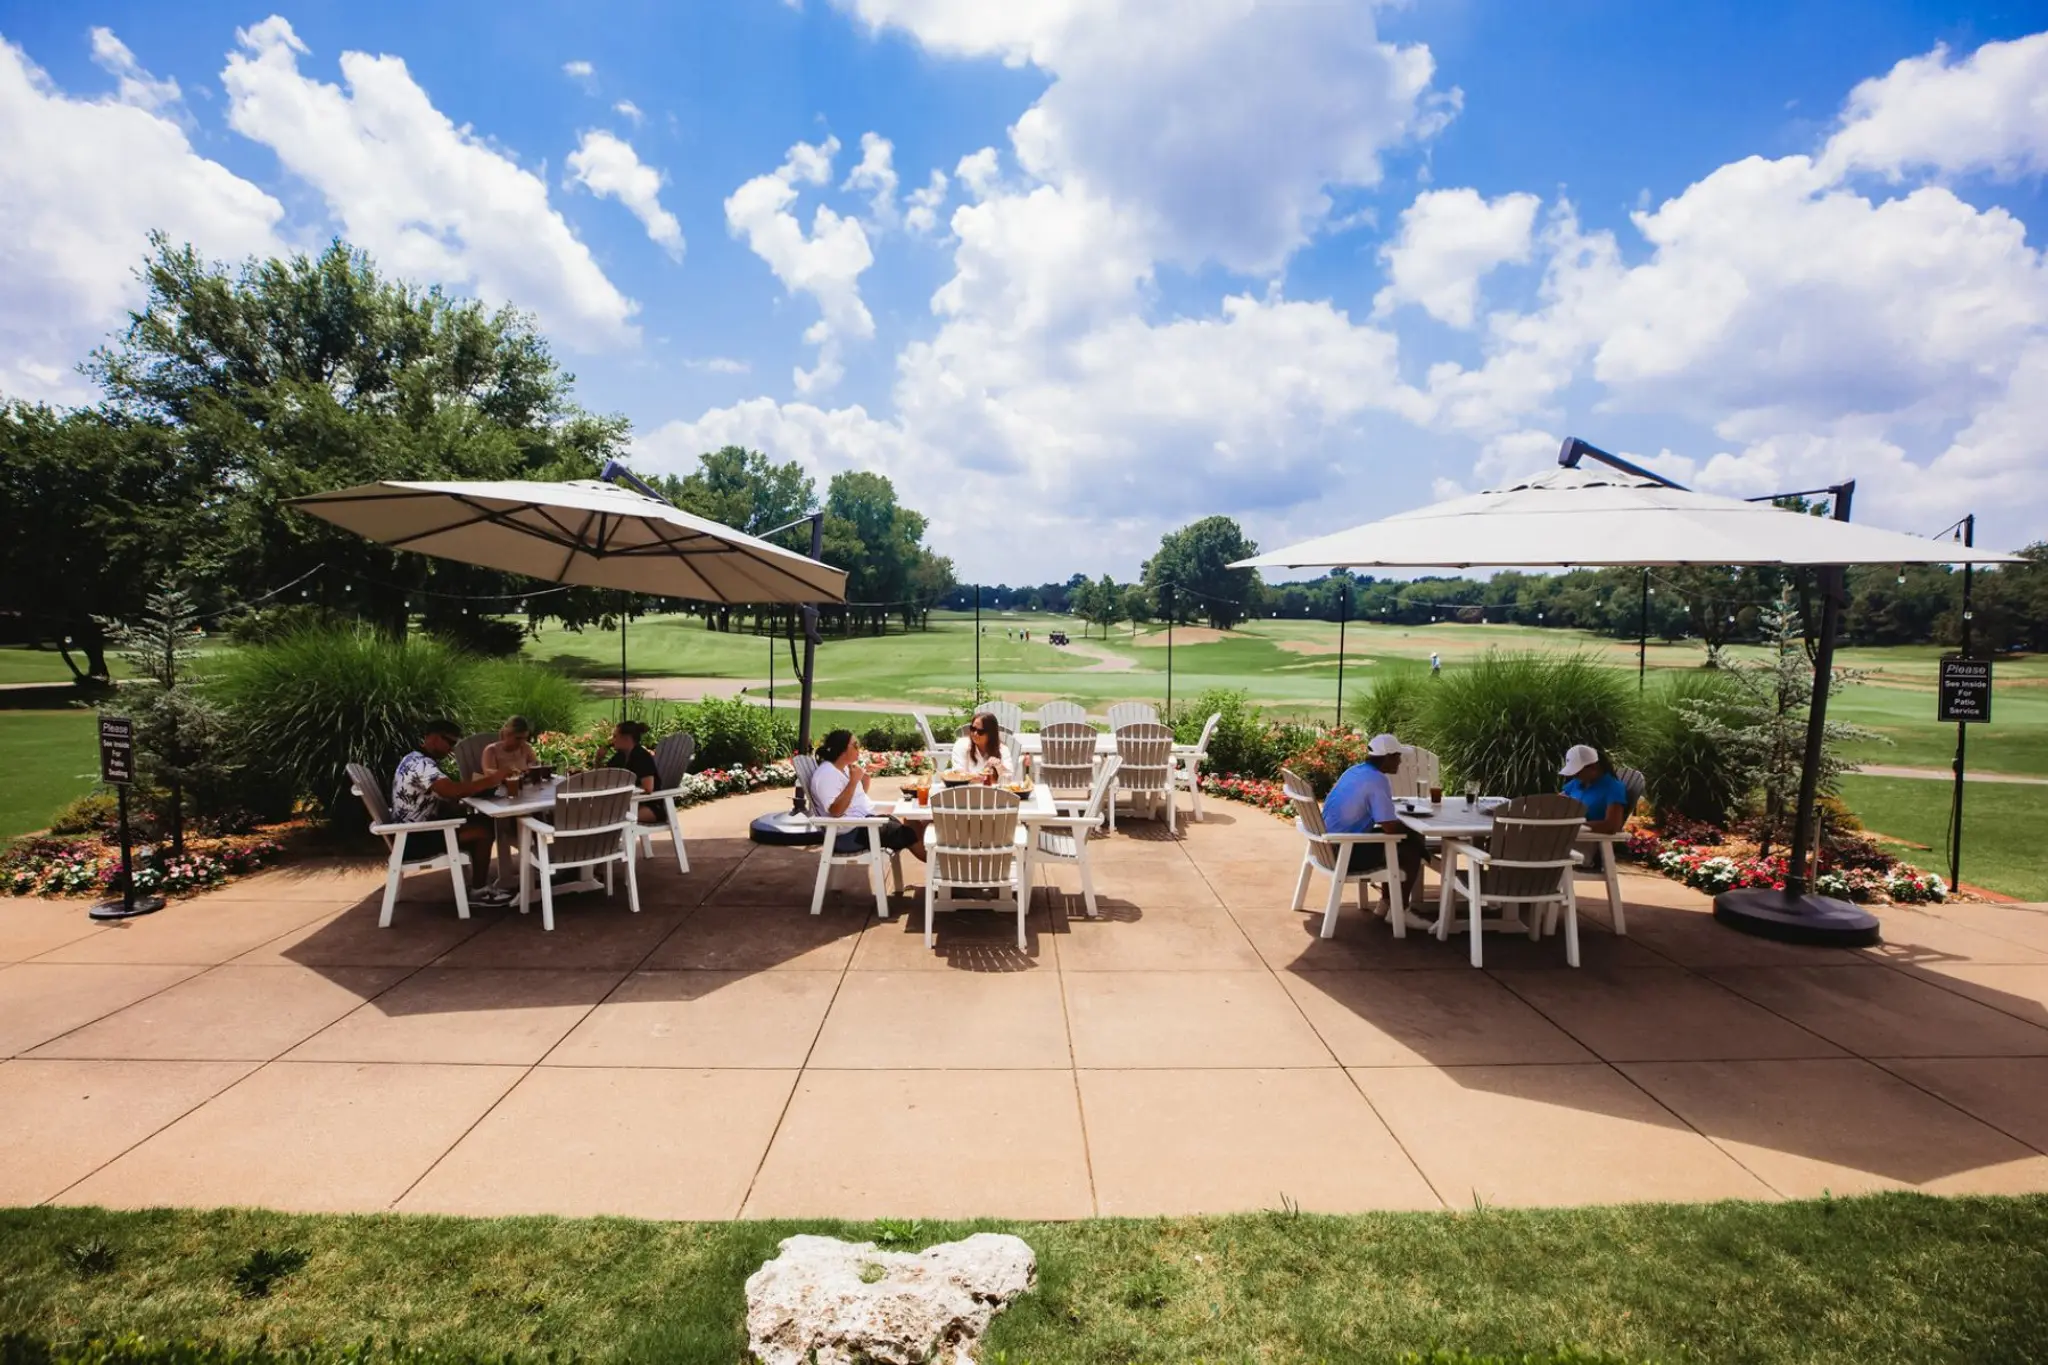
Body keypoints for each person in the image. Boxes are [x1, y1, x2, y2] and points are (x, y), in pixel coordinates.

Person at [390, 719, 513, 905]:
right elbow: (452, 791)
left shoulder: (413, 758)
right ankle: (478, 891)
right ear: (433, 738)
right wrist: (492, 779)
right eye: (449, 742)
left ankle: (481, 885)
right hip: (416, 839)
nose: (451, 749)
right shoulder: (422, 765)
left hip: (411, 833)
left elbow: (443, 796)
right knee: (483, 831)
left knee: (481, 821)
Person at [1321, 733, 1425, 909]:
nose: (1400, 761)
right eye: (1398, 756)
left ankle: (1386, 905)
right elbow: (1389, 827)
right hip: (1345, 853)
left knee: (1400, 843)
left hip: (1328, 848)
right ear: (1388, 757)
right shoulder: (1377, 779)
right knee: (1411, 850)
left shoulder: (1354, 771)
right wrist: (1414, 835)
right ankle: (1399, 910)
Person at [809, 729, 926, 861]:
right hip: (850, 835)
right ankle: (933, 862)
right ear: (842, 749)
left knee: (908, 822)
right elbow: (836, 811)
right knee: (907, 833)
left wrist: (864, 776)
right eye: (855, 745)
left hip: (863, 824)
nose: (859, 749)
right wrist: (853, 781)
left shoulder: (844, 769)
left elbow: (857, 797)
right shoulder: (827, 775)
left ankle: (934, 861)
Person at [1560, 744, 1630, 834]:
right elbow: (1558, 802)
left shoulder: (1614, 788)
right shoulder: (1576, 782)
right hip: (1567, 834)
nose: (1574, 775)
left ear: (1594, 767)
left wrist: (1574, 827)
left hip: (1590, 839)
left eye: (1578, 771)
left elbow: (1612, 825)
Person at [607, 719, 662, 823]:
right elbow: (603, 777)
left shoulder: (642, 757)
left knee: (610, 818)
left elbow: (648, 788)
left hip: (650, 806)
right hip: (628, 804)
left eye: (615, 736)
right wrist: (598, 759)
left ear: (626, 739)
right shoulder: (620, 757)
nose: (612, 740)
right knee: (601, 815)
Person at [951, 712, 1011, 783]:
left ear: (991, 734)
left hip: (992, 789)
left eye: (981, 731)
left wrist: (999, 767)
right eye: (973, 729)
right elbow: (958, 773)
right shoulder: (961, 744)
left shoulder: (1003, 749)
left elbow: (1008, 779)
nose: (975, 733)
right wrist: (983, 774)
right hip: (966, 789)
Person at [481, 715, 537, 779]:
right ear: (507, 734)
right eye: (518, 738)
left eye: (525, 738)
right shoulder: (491, 750)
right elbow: (488, 774)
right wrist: (506, 773)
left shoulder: (526, 747)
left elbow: (535, 767)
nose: (522, 742)